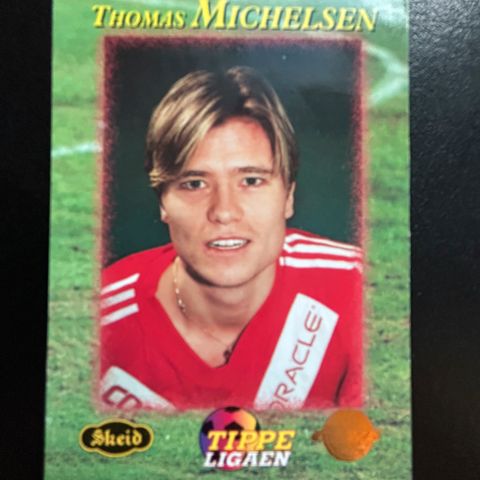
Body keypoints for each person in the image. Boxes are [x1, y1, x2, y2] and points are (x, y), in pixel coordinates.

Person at [99, 66, 363, 411]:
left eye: (251, 181)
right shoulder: (97, 323)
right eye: (194, 184)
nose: (224, 212)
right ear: (163, 202)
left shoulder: (358, 289)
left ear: (288, 197)